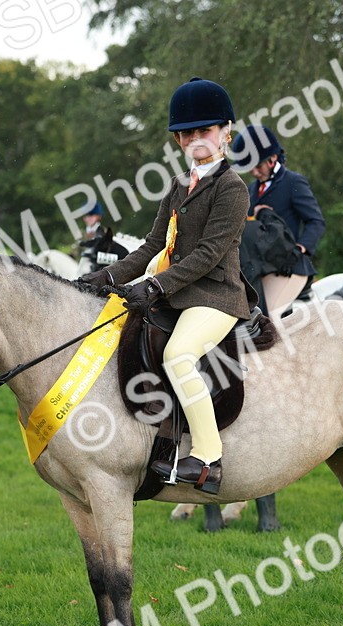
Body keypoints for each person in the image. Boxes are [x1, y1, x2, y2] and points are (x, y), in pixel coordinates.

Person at [78, 77, 255, 493]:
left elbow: (207, 254)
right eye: (186, 134)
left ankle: (208, 458)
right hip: (177, 294)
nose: (195, 140)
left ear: (226, 131)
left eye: (204, 130)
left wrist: (155, 287)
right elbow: (152, 245)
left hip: (216, 295)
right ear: (178, 140)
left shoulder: (232, 188)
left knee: (178, 356)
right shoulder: (178, 186)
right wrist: (105, 277)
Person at [231, 124, 326, 317]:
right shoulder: (250, 190)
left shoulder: (293, 182)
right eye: (250, 168)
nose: (254, 173)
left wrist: (300, 249)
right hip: (260, 266)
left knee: (268, 318)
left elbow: (315, 221)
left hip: (289, 266)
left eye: (258, 166)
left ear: (273, 158)